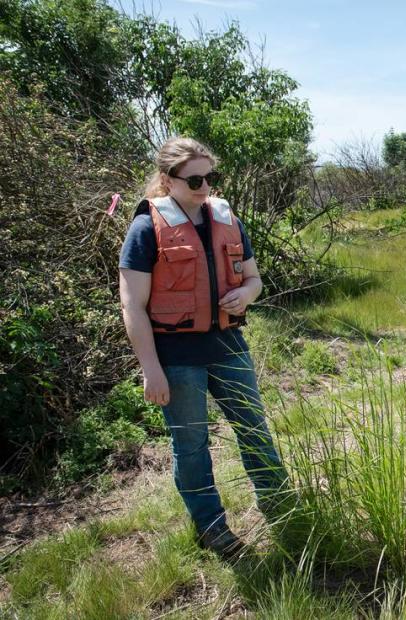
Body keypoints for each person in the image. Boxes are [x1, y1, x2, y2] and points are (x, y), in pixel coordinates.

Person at [119, 137, 288, 561]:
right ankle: (212, 528)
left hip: (229, 346)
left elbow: (254, 279)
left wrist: (246, 295)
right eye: (194, 178)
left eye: (210, 176)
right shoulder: (146, 227)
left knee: (254, 430)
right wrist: (150, 369)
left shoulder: (227, 219)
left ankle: (283, 510)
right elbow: (132, 306)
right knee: (191, 445)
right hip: (176, 359)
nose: (204, 186)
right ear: (167, 179)